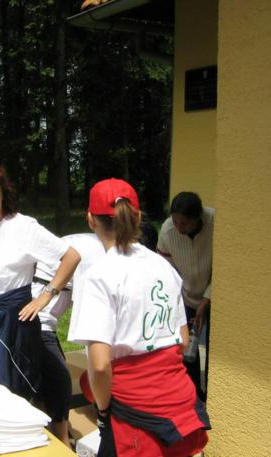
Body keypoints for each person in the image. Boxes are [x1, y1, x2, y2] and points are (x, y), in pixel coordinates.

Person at [68, 178, 210, 457]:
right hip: (177, 401)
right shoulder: (163, 266)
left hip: (134, 411)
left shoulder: (99, 275)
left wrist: (103, 411)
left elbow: (99, 365)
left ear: (90, 219)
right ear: (138, 217)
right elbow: (182, 341)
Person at [0, 163, 80, 409]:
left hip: (15, 326)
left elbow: (71, 257)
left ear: (4, 195)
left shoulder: (23, 227)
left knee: (13, 399)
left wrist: (46, 295)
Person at [32, 233, 105, 446]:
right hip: (36, 314)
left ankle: (51, 435)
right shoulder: (96, 253)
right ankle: (62, 442)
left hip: (39, 313)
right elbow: (91, 318)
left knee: (47, 381)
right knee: (60, 382)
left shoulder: (91, 242)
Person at [157, 191, 213, 403]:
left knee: (215, 350)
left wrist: (207, 298)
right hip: (185, 295)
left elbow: (226, 267)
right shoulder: (167, 231)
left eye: (185, 223)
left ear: (198, 218)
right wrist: (177, 298)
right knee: (187, 348)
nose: (179, 228)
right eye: (176, 222)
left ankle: (212, 396)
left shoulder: (216, 222)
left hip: (214, 294)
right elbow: (166, 269)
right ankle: (192, 396)